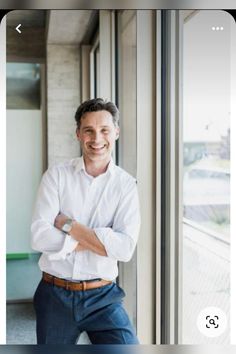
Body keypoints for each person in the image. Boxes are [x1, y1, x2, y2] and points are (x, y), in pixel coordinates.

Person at [31, 98, 141, 344]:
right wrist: (102, 239)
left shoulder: (125, 185)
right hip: (54, 294)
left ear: (116, 132)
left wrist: (70, 226)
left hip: (103, 296)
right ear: (78, 134)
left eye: (104, 130)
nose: (97, 139)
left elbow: (124, 249)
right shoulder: (56, 176)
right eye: (88, 130)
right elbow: (39, 236)